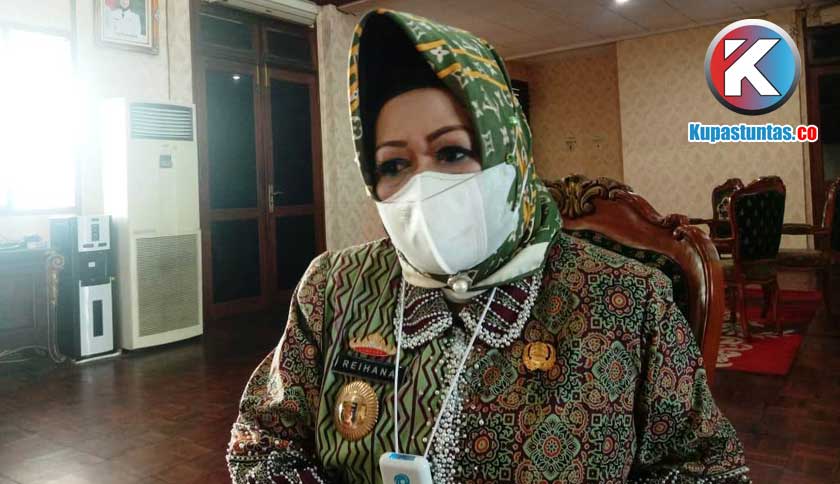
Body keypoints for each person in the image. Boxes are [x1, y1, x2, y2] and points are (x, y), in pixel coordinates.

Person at [227, 9, 750, 484]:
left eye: (452, 152)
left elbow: (708, 470)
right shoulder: (335, 288)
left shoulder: (628, 301)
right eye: (394, 164)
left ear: (509, 151)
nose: (423, 184)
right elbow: (261, 441)